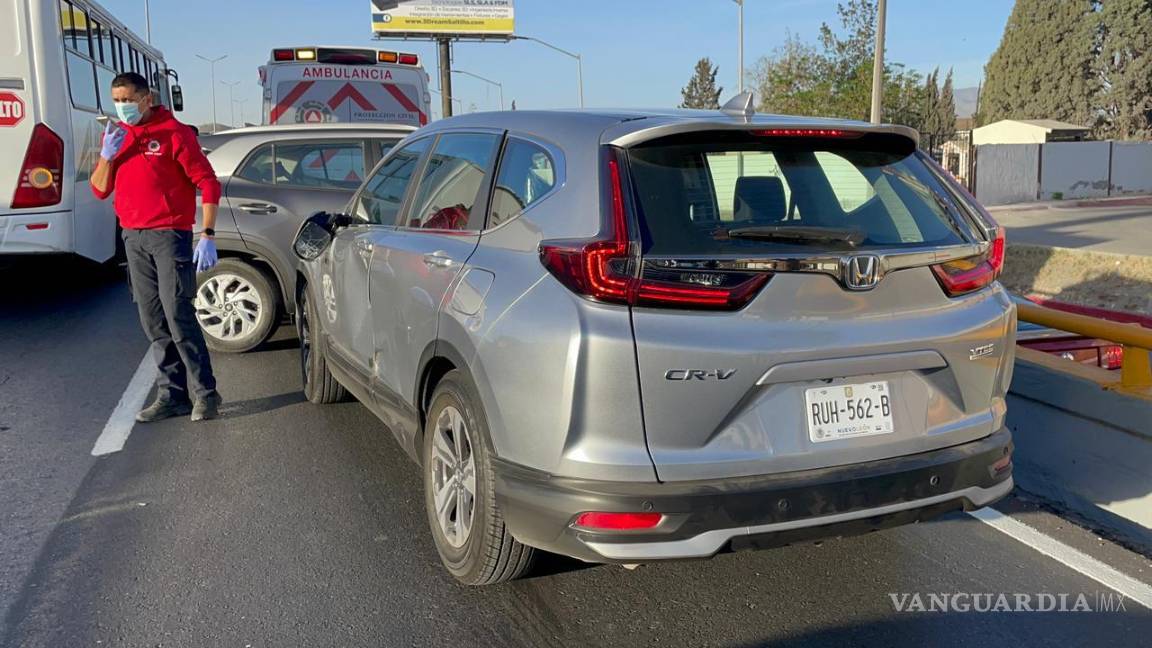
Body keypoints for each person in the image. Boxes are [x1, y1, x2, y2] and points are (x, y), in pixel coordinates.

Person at [91, 72, 223, 423]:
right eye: (116, 100)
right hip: (133, 237)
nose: (122, 107)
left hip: (168, 236)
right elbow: (99, 190)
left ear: (146, 99)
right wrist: (106, 156)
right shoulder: (118, 136)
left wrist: (208, 233)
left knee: (178, 315)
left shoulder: (174, 133)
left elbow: (208, 182)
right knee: (152, 320)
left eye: (128, 100)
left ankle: (206, 393)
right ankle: (172, 395)